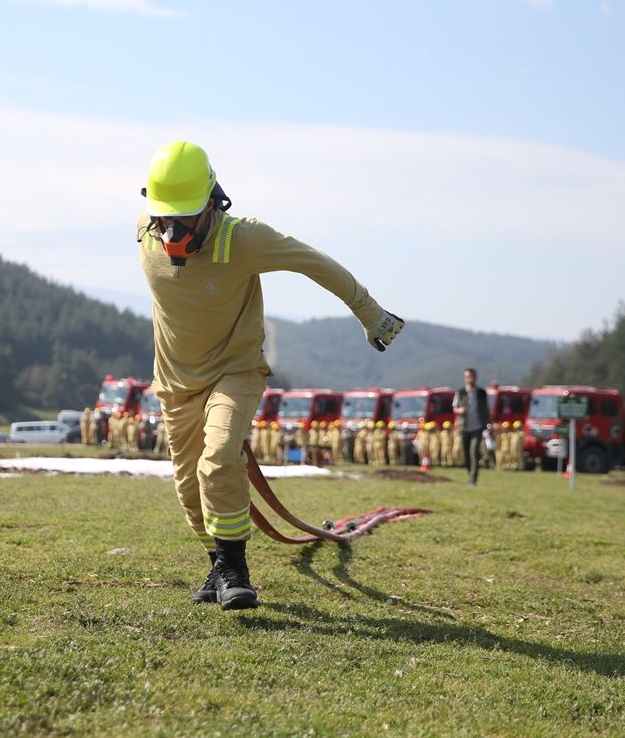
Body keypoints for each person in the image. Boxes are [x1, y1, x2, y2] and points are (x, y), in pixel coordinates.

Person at [137, 140, 403, 610]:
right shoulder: (143, 231)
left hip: (234, 373)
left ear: (213, 200)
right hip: (175, 385)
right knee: (188, 486)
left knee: (218, 458)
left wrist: (371, 313)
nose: (172, 228)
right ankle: (218, 563)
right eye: (165, 217)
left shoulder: (241, 239)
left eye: (184, 216)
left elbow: (313, 262)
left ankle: (236, 569)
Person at [453, 368, 490, 485]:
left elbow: (486, 409)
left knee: (474, 452)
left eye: (472, 376)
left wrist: (489, 423)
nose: (470, 379)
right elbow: (455, 407)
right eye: (468, 377)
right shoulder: (461, 392)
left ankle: (473, 479)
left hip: (477, 427)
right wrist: (460, 410)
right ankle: (470, 474)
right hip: (464, 426)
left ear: (476, 377)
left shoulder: (481, 393)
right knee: (466, 454)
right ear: (465, 378)